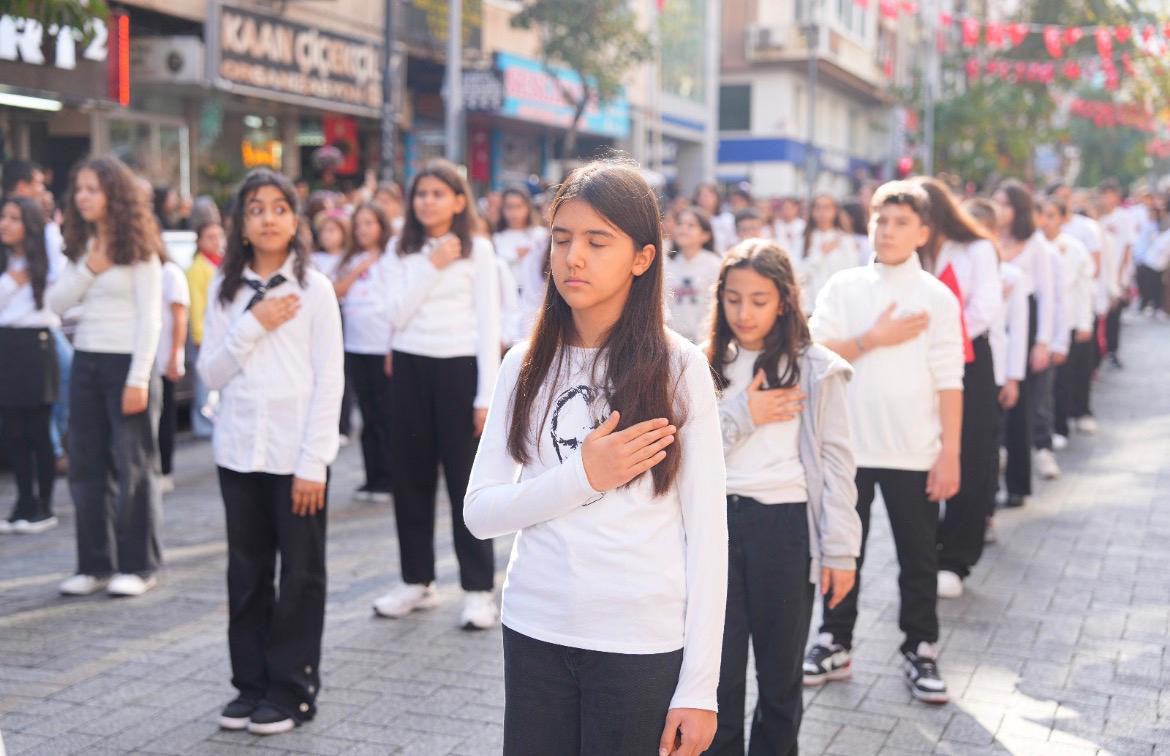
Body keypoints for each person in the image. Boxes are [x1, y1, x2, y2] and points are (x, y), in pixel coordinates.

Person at [465, 158, 726, 756]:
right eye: (561, 239)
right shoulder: (523, 363)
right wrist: (582, 476)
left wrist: (700, 688)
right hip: (535, 626)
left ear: (642, 257)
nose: (573, 258)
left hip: (639, 642)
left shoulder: (679, 367)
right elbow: (480, 513)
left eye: (596, 241)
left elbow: (708, 536)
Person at [802, 180, 964, 705]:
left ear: (923, 232)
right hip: (847, 449)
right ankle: (835, 640)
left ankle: (920, 646)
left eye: (901, 222)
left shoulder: (937, 296)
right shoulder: (843, 286)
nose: (888, 231)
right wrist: (872, 338)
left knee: (918, 557)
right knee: (842, 548)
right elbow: (814, 354)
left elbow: (950, 378)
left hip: (913, 450)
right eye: (881, 220)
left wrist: (950, 452)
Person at [197, 169, 344, 736]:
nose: (268, 218)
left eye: (279, 207)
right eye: (255, 208)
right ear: (241, 222)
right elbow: (210, 372)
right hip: (238, 452)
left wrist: (314, 464)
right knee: (247, 574)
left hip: (295, 457)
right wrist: (251, 325)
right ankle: (250, 685)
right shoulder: (225, 287)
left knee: (300, 575)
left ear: (295, 219)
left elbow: (330, 381)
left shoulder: (315, 289)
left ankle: (291, 690)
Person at [707, 240, 860, 755]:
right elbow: (684, 454)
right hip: (715, 530)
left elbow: (838, 463)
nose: (744, 313)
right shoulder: (700, 364)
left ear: (784, 301)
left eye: (758, 300)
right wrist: (744, 415)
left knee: (780, 681)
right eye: (733, 299)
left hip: (785, 530)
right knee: (716, 679)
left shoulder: (815, 367)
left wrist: (841, 551)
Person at [372, 160, 501, 630]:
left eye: (438, 193)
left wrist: (486, 396)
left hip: (459, 370)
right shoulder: (399, 249)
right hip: (409, 367)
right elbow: (394, 314)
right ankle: (416, 581)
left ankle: (478, 589)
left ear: (459, 201)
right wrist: (431, 266)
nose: (428, 201)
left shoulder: (478, 249)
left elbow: (488, 324)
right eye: (421, 193)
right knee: (411, 478)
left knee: (465, 482)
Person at [48, 155, 163, 598]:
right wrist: (89, 269)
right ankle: (94, 564)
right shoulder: (80, 244)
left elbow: (151, 318)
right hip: (87, 361)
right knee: (86, 467)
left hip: (128, 363)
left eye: (92, 189)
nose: (83, 197)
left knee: (133, 467)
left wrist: (138, 378)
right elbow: (56, 303)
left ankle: (138, 565)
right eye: (79, 189)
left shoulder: (139, 245)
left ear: (114, 194)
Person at [911, 178, 1002, 599]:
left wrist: (941, 336)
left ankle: (956, 558)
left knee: (970, 453)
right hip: (915, 360)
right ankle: (923, 551)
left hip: (968, 359)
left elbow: (985, 308)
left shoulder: (978, 249)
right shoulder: (907, 252)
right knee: (920, 451)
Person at [993, 180, 1058, 501]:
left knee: (1020, 405)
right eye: (997, 202)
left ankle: (1017, 486)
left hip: (1026, 323)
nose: (1000, 209)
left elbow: (1048, 296)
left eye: (1006, 204)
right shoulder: (987, 239)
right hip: (994, 321)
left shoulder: (1035, 244)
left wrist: (1043, 341)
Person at [0, 196, 61, 533]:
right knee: (13, 431)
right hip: (7, 344)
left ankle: (44, 506)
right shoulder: (7, 262)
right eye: (4, 217)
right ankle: (23, 502)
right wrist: (11, 281)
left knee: (38, 429)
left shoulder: (47, 260)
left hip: (36, 343)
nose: (5, 224)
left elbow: (59, 288)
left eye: (14, 218)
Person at [332, 202, 396, 504]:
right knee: (367, 416)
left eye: (369, 223)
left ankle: (389, 478)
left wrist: (392, 347)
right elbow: (336, 291)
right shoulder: (350, 260)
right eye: (358, 224)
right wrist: (358, 268)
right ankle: (372, 477)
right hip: (355, 346)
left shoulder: (391, 258)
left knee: (385, 415)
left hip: (381, 345)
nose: (363, 230)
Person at [1037, 197, 1095, 451]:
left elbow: (1084, 288)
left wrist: (1084, 323)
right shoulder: (1031, 246)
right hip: (1039, 325)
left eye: (1051, 215)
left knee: (1063, 380)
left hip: (1067, 322)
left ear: (1061, 218)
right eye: (1042, 215)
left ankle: (1060, 427)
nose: (1046, 221)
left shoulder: (1074, 248)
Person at [493, 187, 550, 344]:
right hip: (505, 301)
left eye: (519, 206)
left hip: (535, 299)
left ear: (527, 207)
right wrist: (514, 257)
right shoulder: (497, 238)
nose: (514, 212)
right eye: (509, 207)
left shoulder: (539, 235)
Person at [187, 221, 225, 439]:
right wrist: (199, 334)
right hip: (205, 334)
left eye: (219, 236)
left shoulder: (224, 264)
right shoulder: (197, 269)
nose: (216, 241)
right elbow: (196, 305)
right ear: (200, 242)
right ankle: (204, 425)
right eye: (210, 237)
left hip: (223, 332)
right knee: (204, 383)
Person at [157, 251, 190, 494]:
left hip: (162, 357)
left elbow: (180, 316)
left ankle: (165, 470)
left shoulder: (169, 273)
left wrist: (175, 354)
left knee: (164, 416)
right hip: (140, 360)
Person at [664, 206, 721, 343]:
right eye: (680, 224)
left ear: (705, 235)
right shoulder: (666, 264)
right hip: (674, 341)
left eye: (691, 225)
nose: (683, 229)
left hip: (706, 340)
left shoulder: (715, 265)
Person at [798, 194, 858, 314]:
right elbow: (800, 273)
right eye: (818, 208)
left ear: (835, 211)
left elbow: (852, 271)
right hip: (810, 306)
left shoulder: (844, 239)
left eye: (827, 208)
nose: (822, 213)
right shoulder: (804, 238)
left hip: (838, 305)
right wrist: (821, 253)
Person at [1097, 180, 1131, 368]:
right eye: (1104, 195)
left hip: (1116, 271)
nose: (1106, 199)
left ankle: (1113, 350)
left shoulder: (1123, 217)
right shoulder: (1097, 217)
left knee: (1114, 313)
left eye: (1110, 195)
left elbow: (1127, 246)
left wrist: (1122, 275)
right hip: (1100, 271)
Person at [695, 182, 736, 254]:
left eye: (707, 196)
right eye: (700, 196)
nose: (703, 199)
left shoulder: (726, 219)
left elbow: (732, 242)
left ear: (716, 197)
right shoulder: (693, 219)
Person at [839, 199, 872, 266]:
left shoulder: (865, 241)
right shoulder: (837, 236)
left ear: (851, 218)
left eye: (843, 216)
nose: (839, 218)